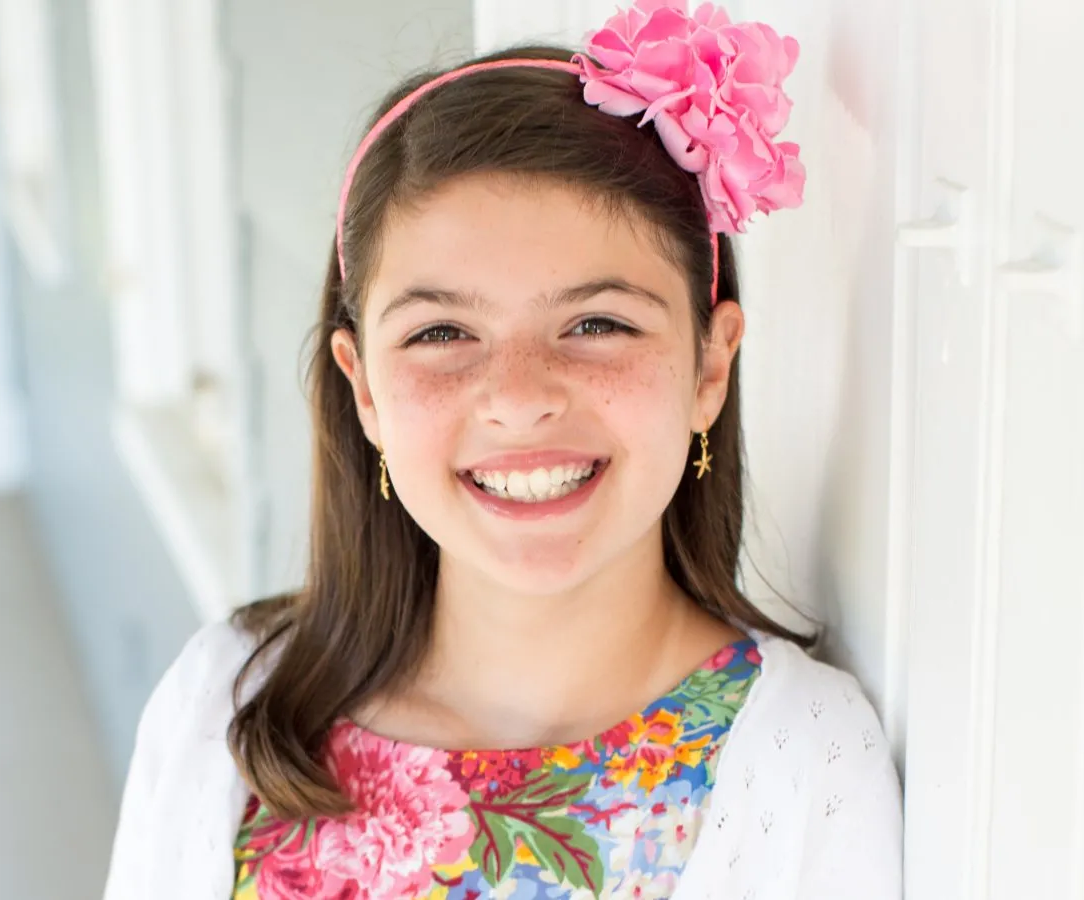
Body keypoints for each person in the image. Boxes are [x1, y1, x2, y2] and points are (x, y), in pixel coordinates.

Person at [102, 1, 903, 897]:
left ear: (709, 366)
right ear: (362, 386)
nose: (519, 399)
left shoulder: (806, 764)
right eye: (442, 333)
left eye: (597, 323)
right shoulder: (225, 705)